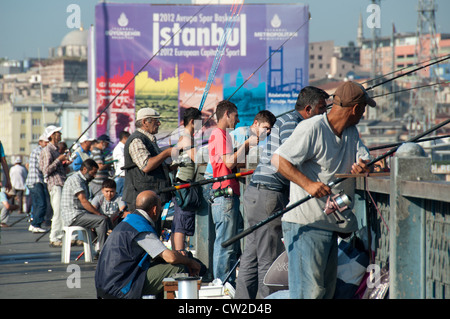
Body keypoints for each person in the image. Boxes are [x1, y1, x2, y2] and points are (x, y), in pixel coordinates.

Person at [271, 81, 375, 299]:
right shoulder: (312, 127)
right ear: (355, 109)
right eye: (364, 109)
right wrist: (309, 185)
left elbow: (366, 158)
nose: (363, 114)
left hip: (330, 226)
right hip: (305, 224)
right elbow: (279, 160)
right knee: (308, 294)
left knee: (324, 293)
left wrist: (365, 166)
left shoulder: (351, 132)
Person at [235, 86, 330, 299]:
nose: (324, 114)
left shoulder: (285, 119)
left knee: (251, 257)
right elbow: (287, 161)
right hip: (269, 195)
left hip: (256, 193)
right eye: (322, 109)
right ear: (308, 109)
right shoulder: (294, 125)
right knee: (268, 260)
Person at [95, 190, 202, 299]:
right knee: (178, 268)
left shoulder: (129, 220)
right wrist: (189, 261)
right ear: (155, 209)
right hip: (119, 287)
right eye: (160, 207)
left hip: (105, 284)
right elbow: (171, 258)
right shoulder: (140, 227)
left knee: (164, 267)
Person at [208, 100, 258, 285]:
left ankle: (225, 283)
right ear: (227, 113)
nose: (237, 121)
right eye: (236, 116)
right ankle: (223, 286)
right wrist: (246, 143)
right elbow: (229, 163)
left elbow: (229, 163)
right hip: (225, 196)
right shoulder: (219, 134)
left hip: (226, 196)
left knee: (227, 244)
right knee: (226, 245)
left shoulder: (222, 135)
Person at [123, 108, 177, 212]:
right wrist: (166, 153)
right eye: (156, 120)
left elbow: (155, 165)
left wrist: (170, 167)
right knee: (144, 227)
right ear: (144, 122)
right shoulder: (137, 140)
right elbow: (146, 166)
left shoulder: (149, 139)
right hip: (141, 199)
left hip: (153, 197)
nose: (159, 123)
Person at [61, 159, 110, 256]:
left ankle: (102, 247)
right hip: (73, 215)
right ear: (84, 169)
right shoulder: (76, 179)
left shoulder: (83, 181)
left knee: (105, 219)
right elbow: (84, 201)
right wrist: (98, 214)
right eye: (93, 173)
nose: (94, 176)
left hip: (80, 213)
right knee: (101, 220)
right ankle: (103, 251)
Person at [170, 107, 202, 252]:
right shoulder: (188, 139)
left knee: (179, 222)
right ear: (192, 122)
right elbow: (198, 160)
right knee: (181, 225)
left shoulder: (184, 138)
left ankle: (179, 254)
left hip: (181, 185)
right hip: (185, 187)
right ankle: (180, 256)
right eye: (199, 121)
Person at [39, 125, 70, 247]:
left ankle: (61, 236)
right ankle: (54, 236)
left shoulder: (55, 150)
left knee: (63, 210)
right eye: (58, 133)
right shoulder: (47, 150)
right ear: (52, 135)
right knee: (57, 211)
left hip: (61, 181)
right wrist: (59, 160)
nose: (60, 135)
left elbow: (56, 166)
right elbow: (46, 170)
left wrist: (64, 163)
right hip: (55, 183)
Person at [26, 134, 50, 233]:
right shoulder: (40, 151)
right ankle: (36, 223)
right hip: (36, 180)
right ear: (40, 142)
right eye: (45, 142)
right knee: (42, 204)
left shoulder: (34, 151)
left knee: (36, 204)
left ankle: (34, 224)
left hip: (31, 180)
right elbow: (42, 167)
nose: (47, 144)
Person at [112, 131, 130, 196]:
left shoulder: (125, 148)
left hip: (125, 177)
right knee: (121, 198)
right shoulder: (119, 149)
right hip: (121, 177)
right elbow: (125, 162)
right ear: (125, 138)